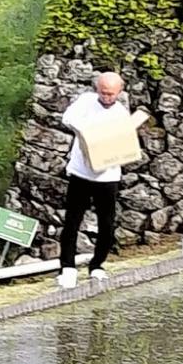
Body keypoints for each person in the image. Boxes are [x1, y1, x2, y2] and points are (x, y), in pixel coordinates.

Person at [57, 71, 132, 283]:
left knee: (106, 224)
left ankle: (97, 264)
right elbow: (68, 118)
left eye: (111, 94)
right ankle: (67, 266)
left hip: (107, 176)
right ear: (97, 89)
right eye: (103, 92)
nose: (106, 97)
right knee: (72, 220)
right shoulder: (86, 101)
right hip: (81, 172)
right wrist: (87, 131)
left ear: (119, 93)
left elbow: (125, 145)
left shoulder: (120, 114)